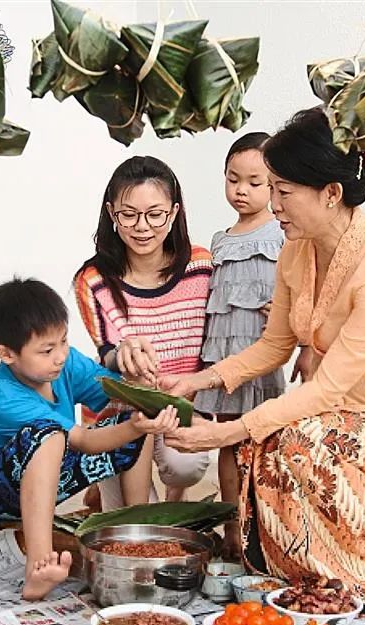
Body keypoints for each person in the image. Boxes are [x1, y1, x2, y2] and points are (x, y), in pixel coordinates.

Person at [159, 107, 365, 613]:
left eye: (283, 192)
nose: (272, 205)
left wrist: (226, 432)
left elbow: (325, 391)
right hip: (339, 408)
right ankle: (299, 575)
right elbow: (275, 346)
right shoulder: (297, 249)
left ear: (330, 194)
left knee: (303, 442)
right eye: (271, 190)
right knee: (270, 442)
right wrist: (198, 381)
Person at [0, 278, 179, 600]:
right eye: (47, 350)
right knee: (50, 436)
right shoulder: (0, 394)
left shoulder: (65, 364)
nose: (60, 355)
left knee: (136, 409)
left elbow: (115, 395)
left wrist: (143, 384)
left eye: (63, 341)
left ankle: (137, 528)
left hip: (50, 473)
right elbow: (84, 441)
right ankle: (38, 566)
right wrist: (136, 427)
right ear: (6, 354)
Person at [192, 132, 308, 558]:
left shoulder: (283, 234)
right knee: (226, 441)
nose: (241, 190)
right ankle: (232, 526)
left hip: (261, 354)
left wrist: (288, 315)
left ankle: (263, 526)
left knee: (259, 443)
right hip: (222, 355)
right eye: (232, 179)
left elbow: (299, 285)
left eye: (255, 182)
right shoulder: (220, 240)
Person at [74, 155, 213, 508]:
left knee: (186, 466)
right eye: (129, 215)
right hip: (119, 415)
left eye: (155, 214)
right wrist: (122, 354)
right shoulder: (93, 280)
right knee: (131, 523)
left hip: (180, 408)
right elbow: (105, 351)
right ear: (111, 214)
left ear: (174, 212)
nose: (142, 227)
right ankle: (105, 481)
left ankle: (173, 495)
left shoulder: (202, 267)